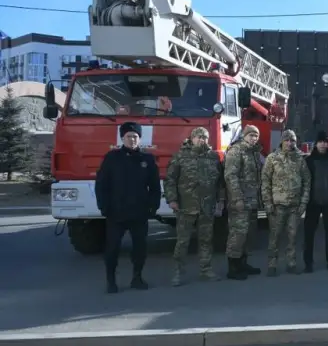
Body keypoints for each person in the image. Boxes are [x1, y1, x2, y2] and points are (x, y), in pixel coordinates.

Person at [95, 121, 161, 293]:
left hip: (139, 213)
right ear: (122, 138)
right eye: (129, 137)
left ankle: (137, 278)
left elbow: (154, 186)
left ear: (139, 139)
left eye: (135, 137)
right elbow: (101, 185)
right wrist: (104, 207)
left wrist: (153, 207)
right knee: (112, 248)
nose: (132, 140)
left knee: (140, 248)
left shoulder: (147, 159)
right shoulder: (112, 158)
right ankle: (111, 281)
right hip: (116, 213)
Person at [165, 127, 224, 286]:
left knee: (206, 240)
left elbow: (220, 183)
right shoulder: (180, 157)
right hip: (186, 206)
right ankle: (178, 271)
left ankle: (206, 269)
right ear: (192, 139)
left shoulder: (213, 157)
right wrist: (172, 199)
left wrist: (220, 201)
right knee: (182, 241)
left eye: (204, 137)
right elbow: (170, 180)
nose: (201, 140)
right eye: (198, 137)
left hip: (207, 206)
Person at [261, 130, 311, 276]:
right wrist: (268, 203)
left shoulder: (300, 159)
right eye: (287, 140)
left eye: (292, 141)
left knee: (293, 236)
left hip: (295, 206)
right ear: (282, 141)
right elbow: (265, 182)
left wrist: (303, 203)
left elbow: (307, 181)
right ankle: (272, 264)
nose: (290, 143)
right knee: (274, 237)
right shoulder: (272, 158)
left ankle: (291, 263)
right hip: (277, 205)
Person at [223, 124, 264, 280]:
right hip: (239, 201)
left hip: (252, 201)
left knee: (248, 234)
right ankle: (232, 268)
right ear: (244, 136)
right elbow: (230, 176)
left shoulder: (253, 153)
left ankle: (243, 263)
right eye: (251, 135)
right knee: (237, 234)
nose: (253, 138)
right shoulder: (236, 151)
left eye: (256, 136)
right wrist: (238, 198)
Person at [303, 131, 328, 273]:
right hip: (313, 202)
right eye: (320, 142)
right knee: (309, 234)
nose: (323, 144)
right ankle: (308, 263)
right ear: (316, 144)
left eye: (325, 142)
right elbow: (304, 180)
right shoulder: (309, 161)